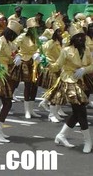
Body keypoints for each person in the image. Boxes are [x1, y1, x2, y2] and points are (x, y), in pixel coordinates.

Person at [44, 22, 93, 153]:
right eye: (78, 37)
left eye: (82, 36)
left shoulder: (87, 50)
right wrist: (44, 61)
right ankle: (88, 141)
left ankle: (61, 135)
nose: (81, 39)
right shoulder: (66, 50)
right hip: (68, 82)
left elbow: (92, 65)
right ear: (73, 39)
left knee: (77, 112)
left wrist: (84, 69)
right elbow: (56, 66)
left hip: (81, 81)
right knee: (81, 111)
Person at [11, 17, 42, 119]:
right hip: (24, 61)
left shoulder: (36, 37)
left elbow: (39, 48)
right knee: (27, 85)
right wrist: (17, 55)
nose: (35, 30)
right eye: (33, 28)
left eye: (36, 28)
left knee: (35, 85)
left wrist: (38, 53)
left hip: (34, 62)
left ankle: (32, 109)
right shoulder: (23, 36)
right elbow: (12, 46)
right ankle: (27, 110)